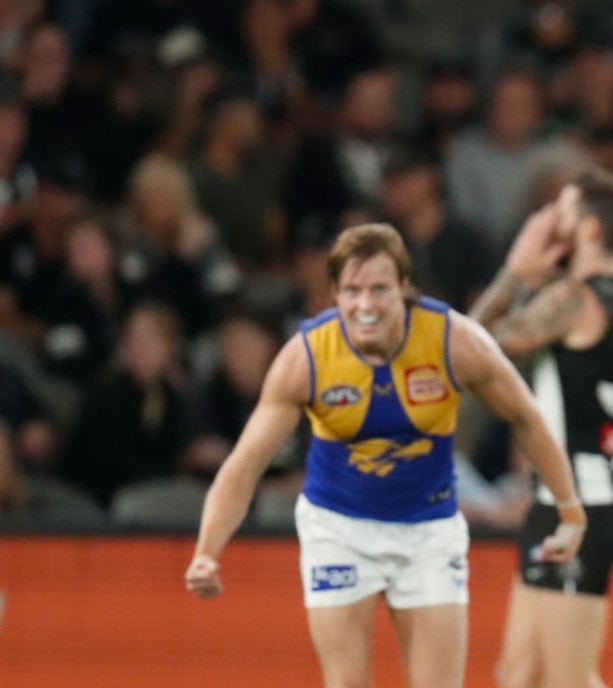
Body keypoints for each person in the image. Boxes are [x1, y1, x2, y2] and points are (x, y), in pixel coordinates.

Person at [184, 223, 587, 688]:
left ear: (404, 287)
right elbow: (244, 466)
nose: (366, 305)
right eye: (352, 290)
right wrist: (206, 552)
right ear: (333, 293)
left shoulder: (453, 340)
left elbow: (527, 419)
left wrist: (570, 509)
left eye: (379, 288)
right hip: (338, 529)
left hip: (428, 530)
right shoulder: (308, 357)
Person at [469, 167, 613, 688]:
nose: (548, 224)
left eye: (562, 213)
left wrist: (516, 271)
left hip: (581, 503)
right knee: (519, 674)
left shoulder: (573, 299)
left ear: (590, 229)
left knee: (566, 679)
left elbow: (468, 346)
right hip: (564, 498)